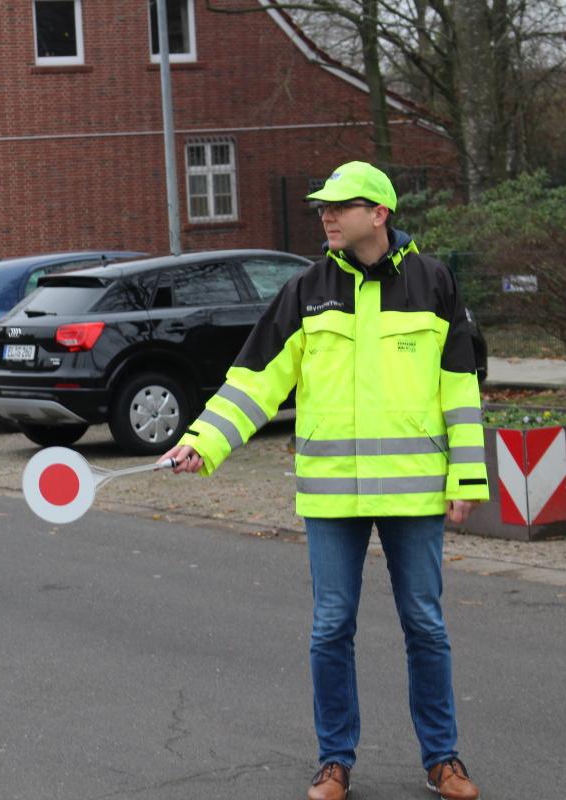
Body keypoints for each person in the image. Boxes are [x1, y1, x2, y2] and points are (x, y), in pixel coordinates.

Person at [162, 162, 488, 800]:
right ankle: (334, 761)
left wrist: (467, 478)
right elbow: (256, 379)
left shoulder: (435, 283)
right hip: (332, 494)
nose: (326, 216)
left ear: (380, 214)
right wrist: (203, 441)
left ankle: (443, 760)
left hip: (414, 491)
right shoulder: (307, 289)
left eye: (340, 206)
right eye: (321, 207)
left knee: (424, 624)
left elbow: (461, 391)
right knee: (331, 627)